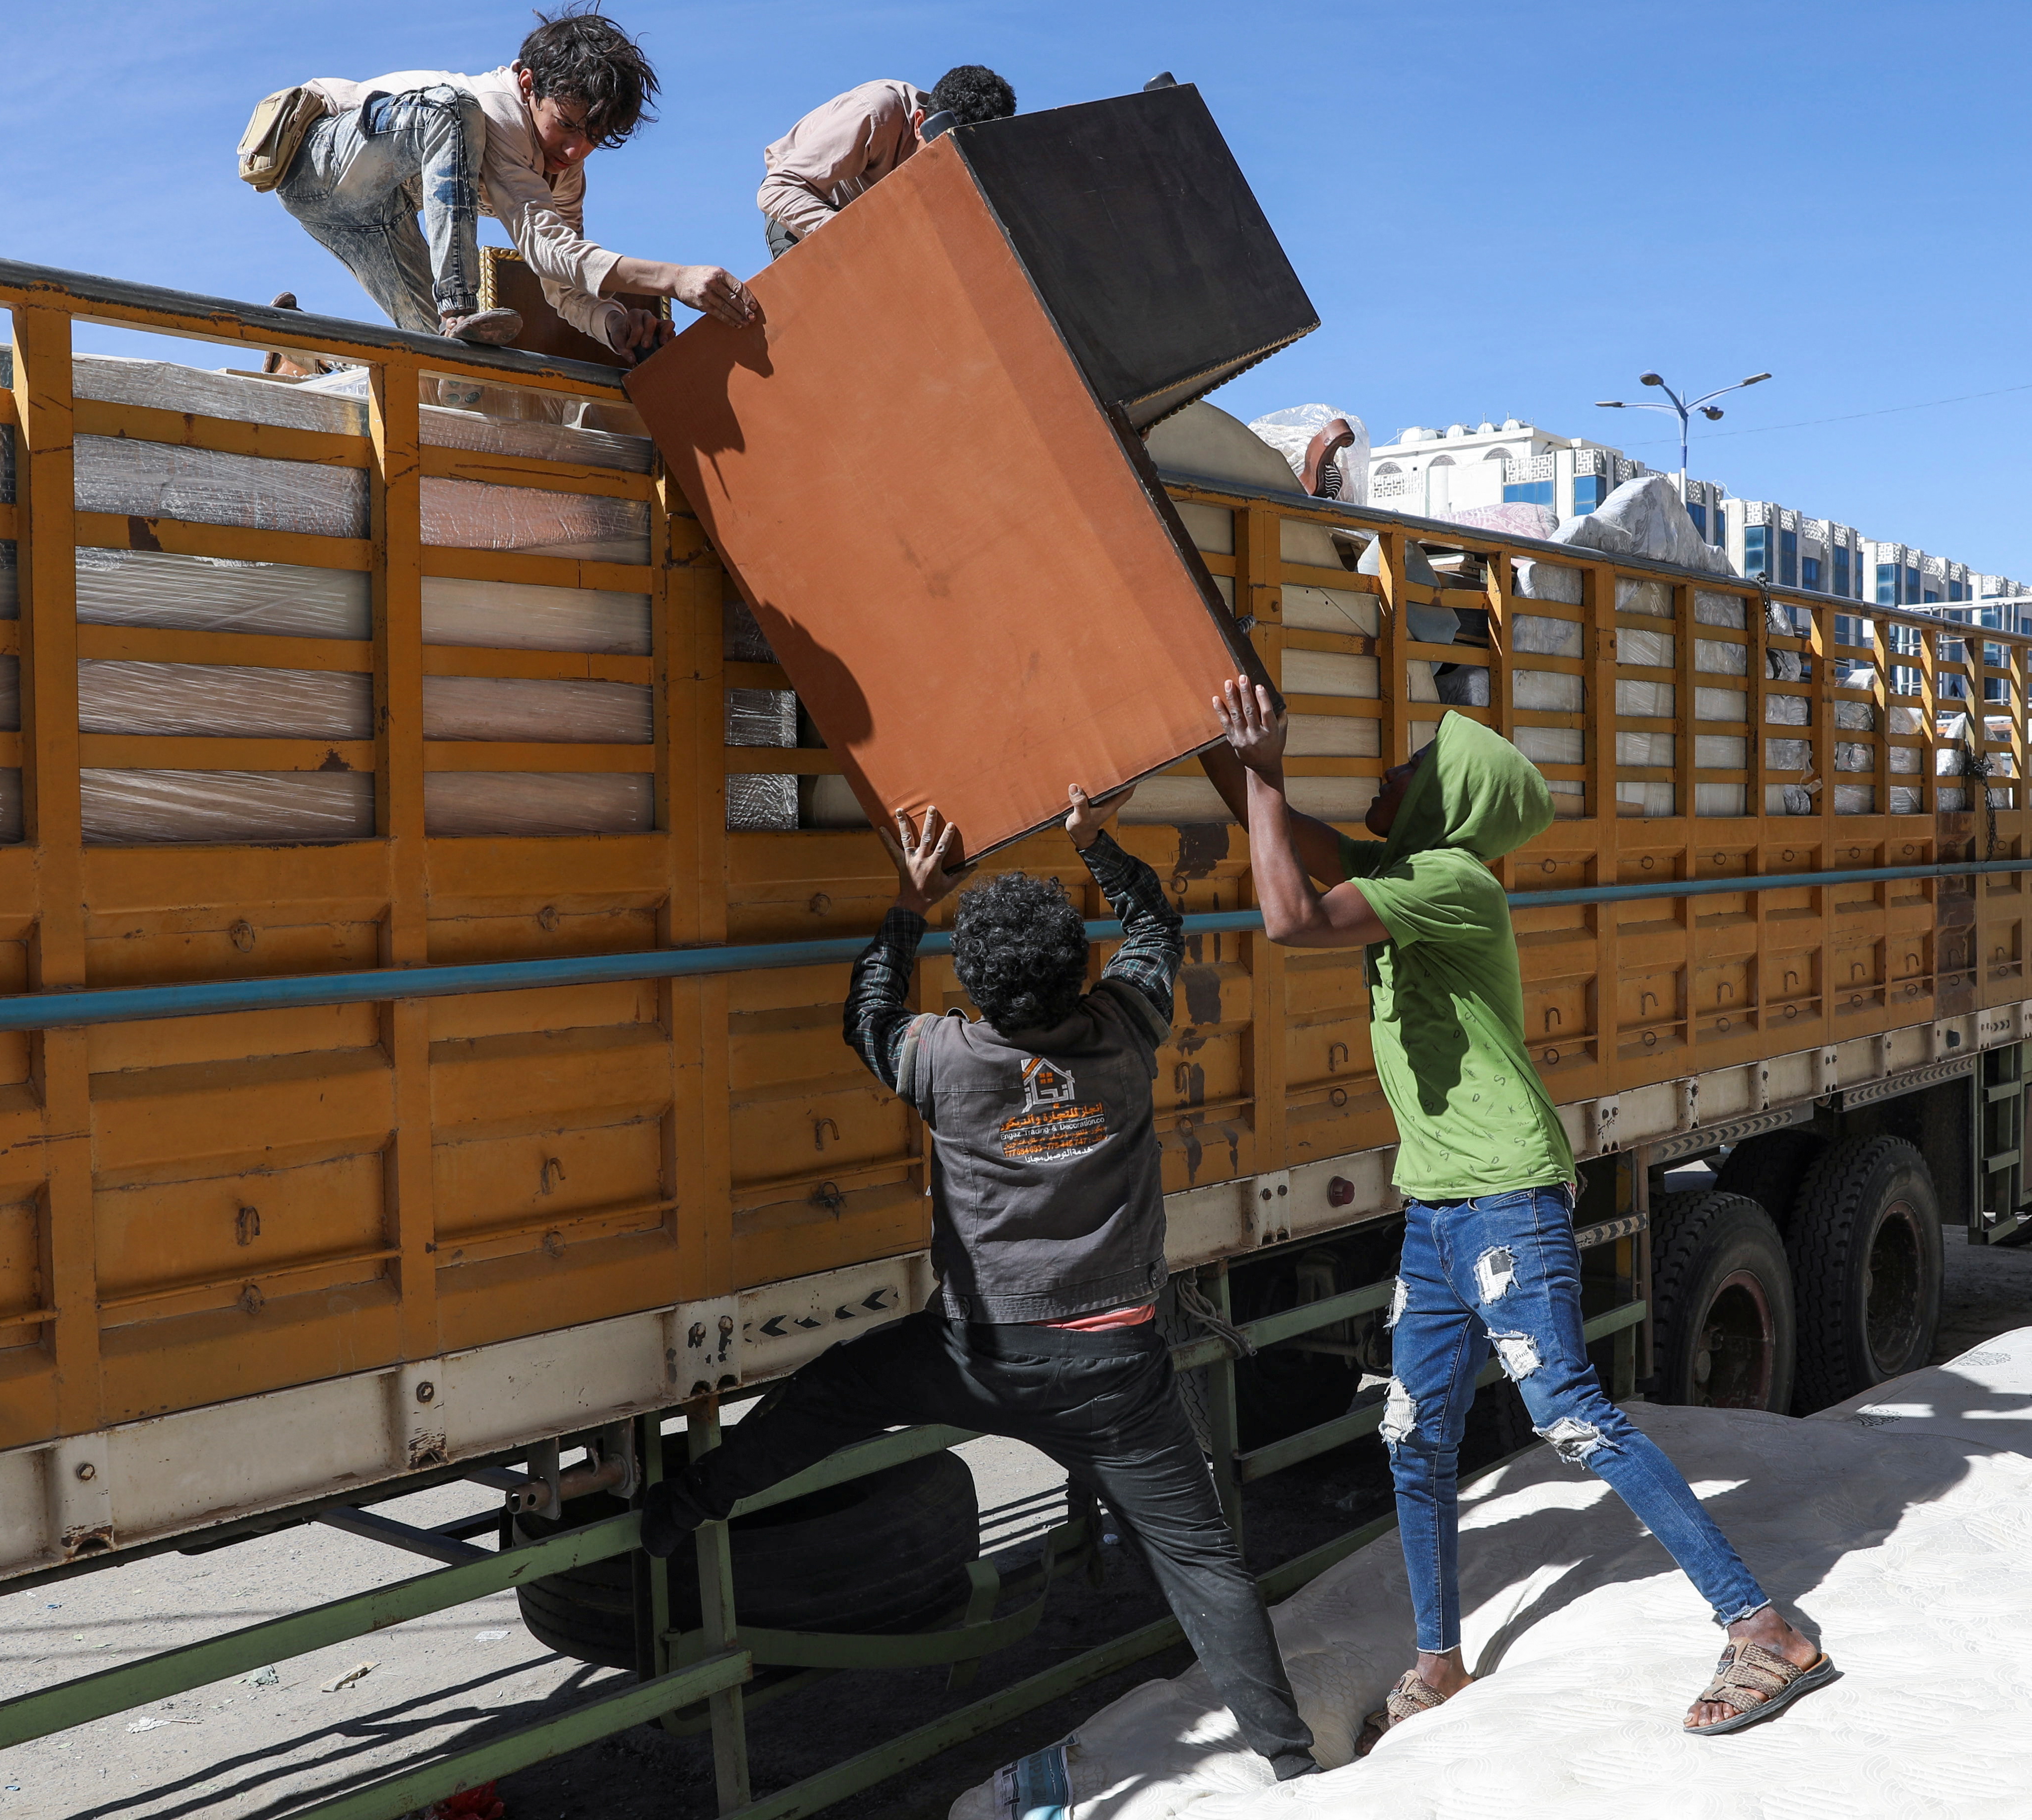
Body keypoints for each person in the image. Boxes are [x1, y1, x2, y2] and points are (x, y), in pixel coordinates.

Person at [1200, 681, 1842, 1747]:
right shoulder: (1399, 868)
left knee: (1571, 1416)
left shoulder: (1446, 880)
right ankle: (1438, 1661)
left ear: (1447, 803)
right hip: (1438, 1203)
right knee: (1413, 1434)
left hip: (1503, 1192)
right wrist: (1210, 737)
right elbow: (1271, 818)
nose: (1392, 767)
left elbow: (1287, 916)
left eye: (1414, 763)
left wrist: (1263, 766)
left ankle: (1765, 1630)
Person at [641, 784, 1322, 1784]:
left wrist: (910, 902)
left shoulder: (941, 1058)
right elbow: (1153, 927)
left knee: (832, 1394)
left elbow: (865, 1015)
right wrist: (1094, 843)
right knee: (1203, 1561)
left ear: (972, 981)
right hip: (1117, 1373)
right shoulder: (1125, 1027)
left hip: (976, 1355)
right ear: (1077, 968)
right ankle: (1292, 1765)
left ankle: (678, 1511)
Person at [267, 2, 756, 352]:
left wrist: (616, 324)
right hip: (319, 154)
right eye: (567, 125)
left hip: (371, 212)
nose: (575, 150)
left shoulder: (563, 171)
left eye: (594, 136)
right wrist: (675, 278)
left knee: (449, 366)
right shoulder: (500, 110)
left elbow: (563, 274)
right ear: (528, 85)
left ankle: (304, 361)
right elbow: (546, 248)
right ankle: (458, 307)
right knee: (454, 110)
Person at [757, 65, 1017, 257]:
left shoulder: (983, 151)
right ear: (920, 123)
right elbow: (778, 190)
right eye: (940, 156)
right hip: (806, 203)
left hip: (874, 221)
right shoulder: (874, 114)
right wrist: (854, 240)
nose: (944, 171)